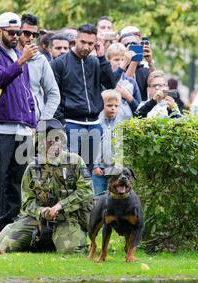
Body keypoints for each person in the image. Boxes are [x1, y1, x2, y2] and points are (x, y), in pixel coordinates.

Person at [0, 119, 93, 255]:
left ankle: (53, 239)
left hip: (68, 218)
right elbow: (27, 202)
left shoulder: (75, 161)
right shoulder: (32, 168)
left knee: (71, 251)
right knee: (4, 245)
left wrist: (60, 207)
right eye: (50, 139)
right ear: (41, 141)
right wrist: (42, 211)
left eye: (58, 138)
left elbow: (86, 192)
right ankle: (45, 237)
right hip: (39, 219)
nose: (55, 143)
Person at [0, 12, 38, 231]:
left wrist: (33, 122)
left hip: (23, 126)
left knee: (17, 179)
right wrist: (22, 60)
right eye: (11, 32)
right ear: (0, 31)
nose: (16, 36)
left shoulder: (19, 54)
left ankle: (9, 221)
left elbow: (27, 92)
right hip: (1, 124)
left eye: (19, 33)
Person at [51, 24, 116, 173]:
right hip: (71, 124)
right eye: (83, 42)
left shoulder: (95, 62)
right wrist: (61, 122)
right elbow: (53, 95)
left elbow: (111, 84)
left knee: (87, 173)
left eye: (90, 44)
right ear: (75, 39)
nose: (86, 47)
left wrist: (101, 57)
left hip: (93, 124)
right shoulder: (60, 63)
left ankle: (85, 198)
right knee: (70, 171)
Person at [17, 13, 60, 121]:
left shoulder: (40, 60)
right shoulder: (7, 58)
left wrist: (44, 120)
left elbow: (54, 93)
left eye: (34, 35)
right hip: (10, 123)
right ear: (17, 31)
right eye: (26, 33)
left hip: (35, 122)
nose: (31, 37)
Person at [92, 90, 121, 195]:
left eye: (116, 105)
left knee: (115, 196)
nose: (113, 108)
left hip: (115, 169)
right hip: (99, 169)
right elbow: (93, 146)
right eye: (109, 105)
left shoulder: (120, 124)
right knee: (99, 196)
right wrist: (95, 166)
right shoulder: (96, 123)